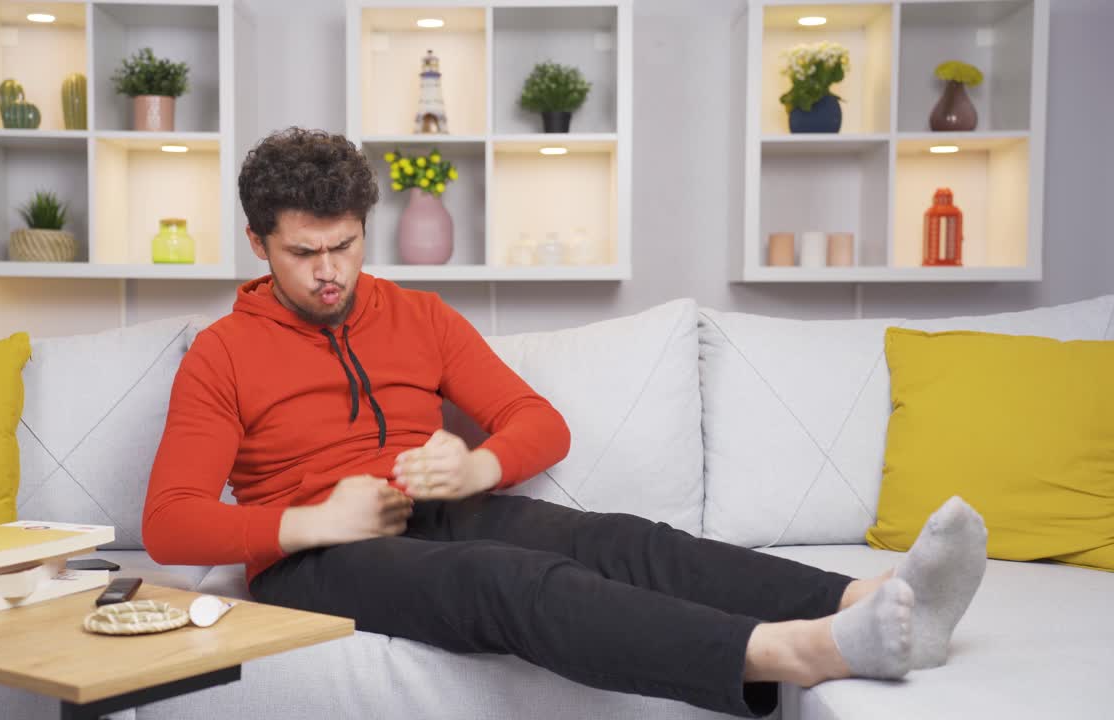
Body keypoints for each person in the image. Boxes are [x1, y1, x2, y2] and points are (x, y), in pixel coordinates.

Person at [142, 127, 988, 717]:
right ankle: (797, 652)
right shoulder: (223, 353)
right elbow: (169, 521)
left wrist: (477, 468)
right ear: (259, 242)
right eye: (304, 253)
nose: (332, 274)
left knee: (625, 541)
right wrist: (310, 521)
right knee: (506, 583)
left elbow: (536, 421)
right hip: (313, 562)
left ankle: (874, 597)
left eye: (348, 245)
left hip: (439, 509)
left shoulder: (417, 316)